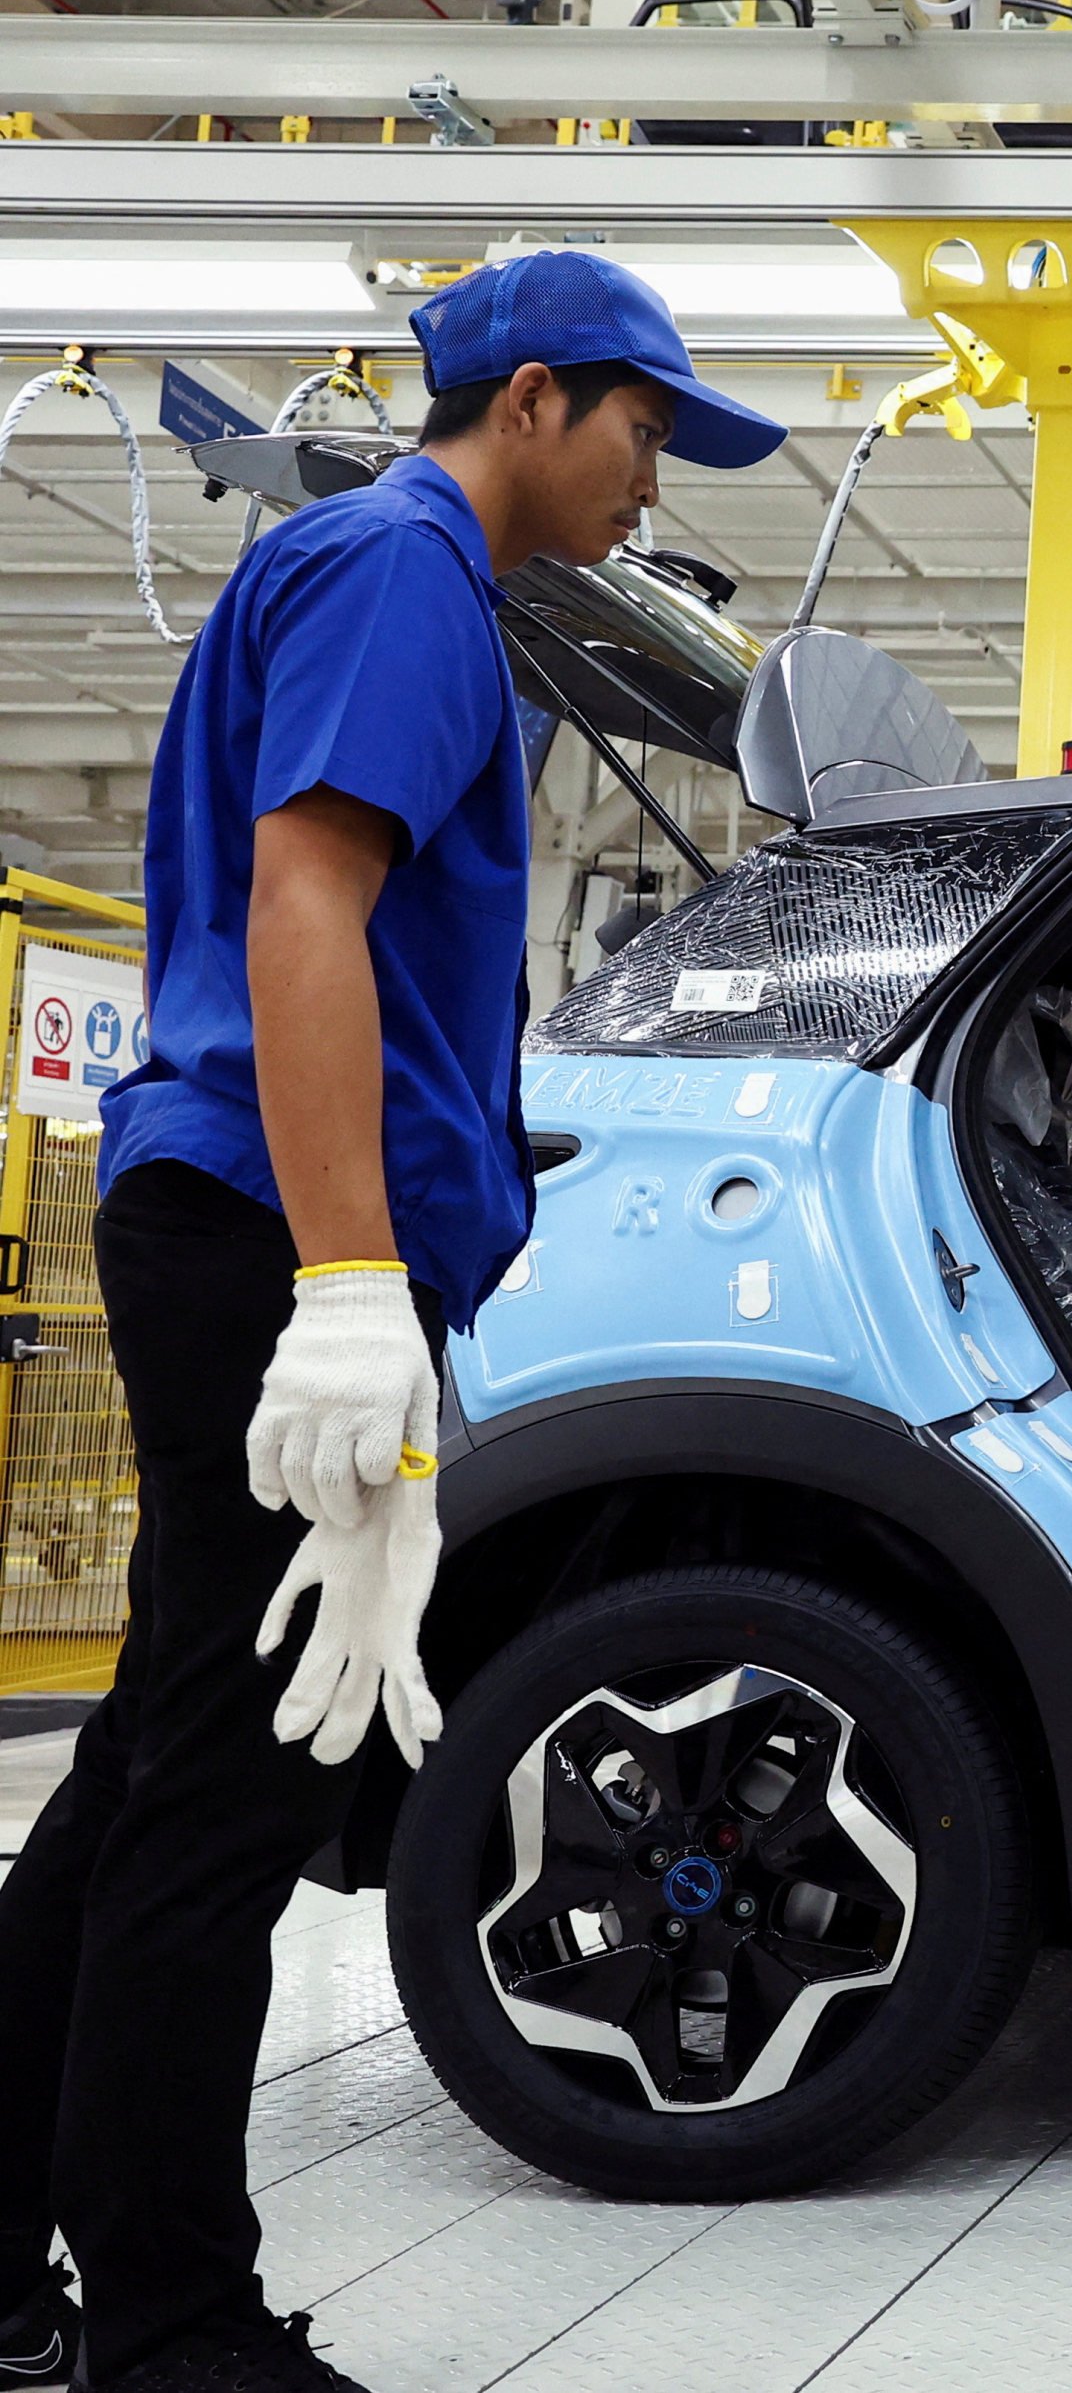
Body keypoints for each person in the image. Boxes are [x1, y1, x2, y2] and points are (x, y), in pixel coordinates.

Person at [0, 254, 783, 2393]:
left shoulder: (399, 583)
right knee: (232, 1798)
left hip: (257, 1221)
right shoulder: (402, 575)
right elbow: (305, 904)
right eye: (642, 431)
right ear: (529, 398)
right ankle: (171, 2331)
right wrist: (349, 1285)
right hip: (273, 1234)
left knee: (156, 1771)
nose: (654, 481)